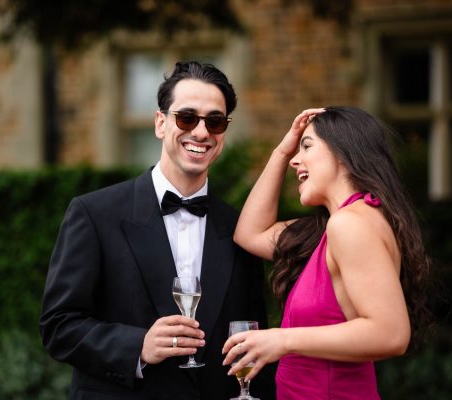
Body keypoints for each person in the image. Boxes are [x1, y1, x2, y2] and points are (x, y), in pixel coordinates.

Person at [39, 61, 275, 400]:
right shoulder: (93, 213)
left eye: (215, 121)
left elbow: (253, 339)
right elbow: (58, 325)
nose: (201, 132)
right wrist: (138, 346)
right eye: (187, 118)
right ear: (160, 123)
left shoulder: (241, 229)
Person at [222, 106, 432, 399]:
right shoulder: (334, 227)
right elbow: (249, 234)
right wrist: (280, 153)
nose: (296, 159)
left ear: (345, 153)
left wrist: (282, 340)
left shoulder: (351, 224)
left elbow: (391, 334)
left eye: (307, 146)